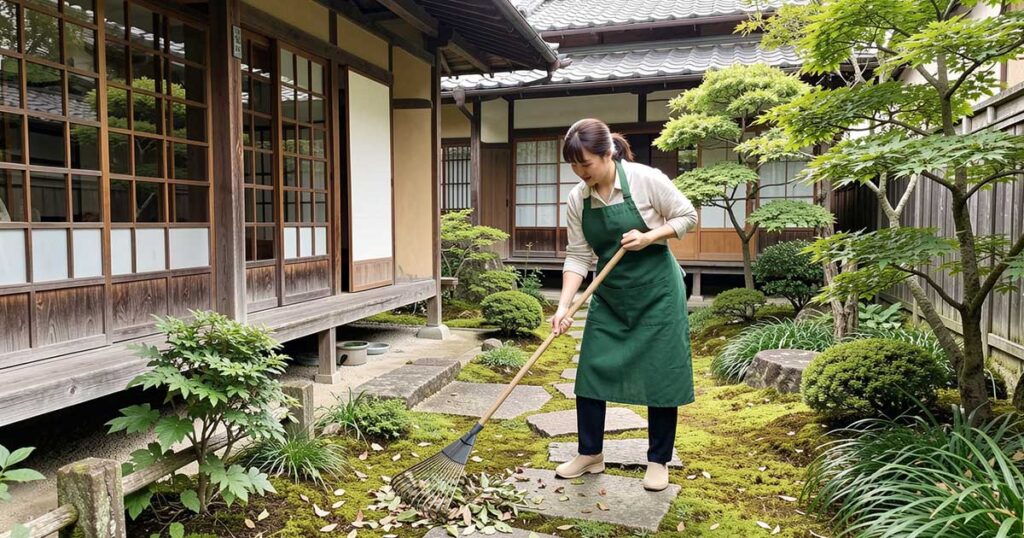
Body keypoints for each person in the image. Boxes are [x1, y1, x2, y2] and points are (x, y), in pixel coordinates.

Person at [550, 118, 698, 492]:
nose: (581, 173)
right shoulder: (577, 199)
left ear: (608, 154)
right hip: (612, 295)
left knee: (661, 376)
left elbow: (687, 216)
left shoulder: (646, 179)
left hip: (658, 293)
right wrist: (564, 306)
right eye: (574, 165)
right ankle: (590, 453)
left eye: (586, 164)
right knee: (591, 372)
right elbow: (578, 256)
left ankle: (658, 459)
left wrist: (650, 237)